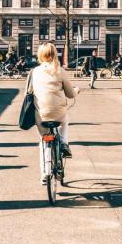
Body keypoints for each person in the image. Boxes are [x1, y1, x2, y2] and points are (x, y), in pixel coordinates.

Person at [31, 42, 78, 184]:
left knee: (43, 141)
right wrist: (76, 91)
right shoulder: (60, 70)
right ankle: (63, 143)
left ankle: (45, 173)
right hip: (58, 113)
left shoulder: (35, 71)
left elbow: (30, 92)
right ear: (54, 54)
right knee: (65, 120)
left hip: (41, 114)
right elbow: (70, 94)